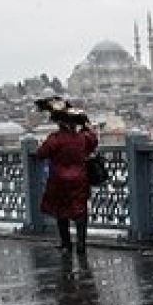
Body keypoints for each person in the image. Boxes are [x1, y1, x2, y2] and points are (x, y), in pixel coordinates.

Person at [34, 98, 98, 254]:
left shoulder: (54, 139)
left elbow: (41, 153)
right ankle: (81, 244)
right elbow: (93, 140)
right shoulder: (82, 138)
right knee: (80, 210)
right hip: (80, 179)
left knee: (61, 211)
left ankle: (66, 244)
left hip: (59, 179)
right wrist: (85, 125)